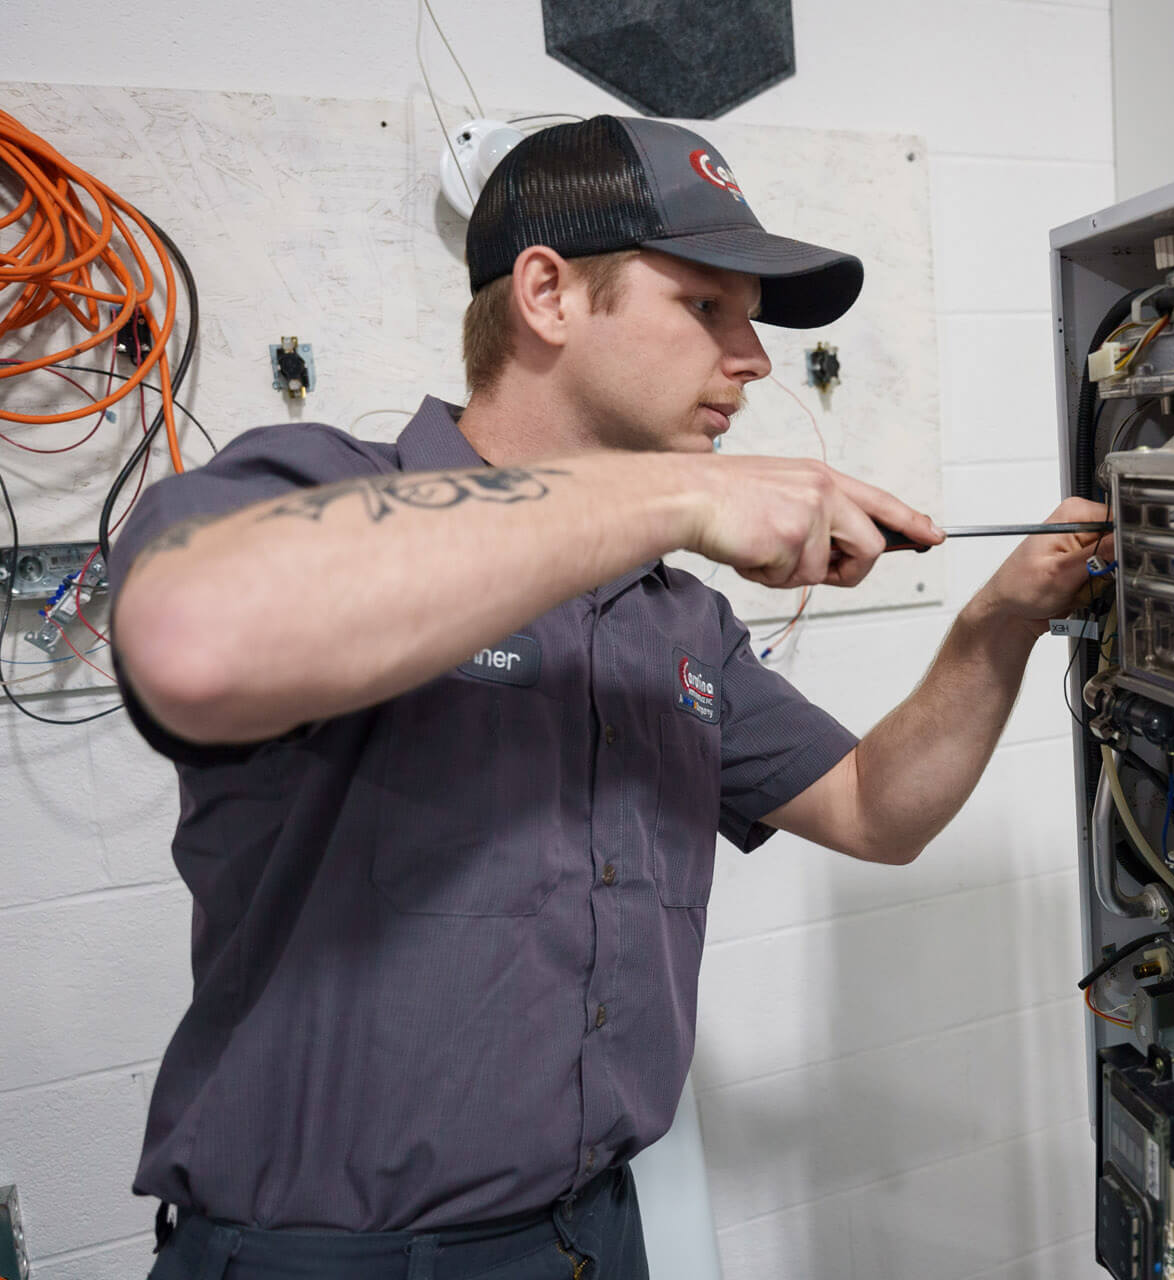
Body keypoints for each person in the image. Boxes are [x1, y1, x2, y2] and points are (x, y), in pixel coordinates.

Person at [110, 115, 1111, 1279]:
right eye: (705, 309)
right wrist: (676, 496)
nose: (754, 359)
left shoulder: (671, 619)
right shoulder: (320, 490)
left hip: (589, 1238)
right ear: (546, 294)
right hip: (323, 1257)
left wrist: (999, 619)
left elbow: (875, 806)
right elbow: (188, 640)